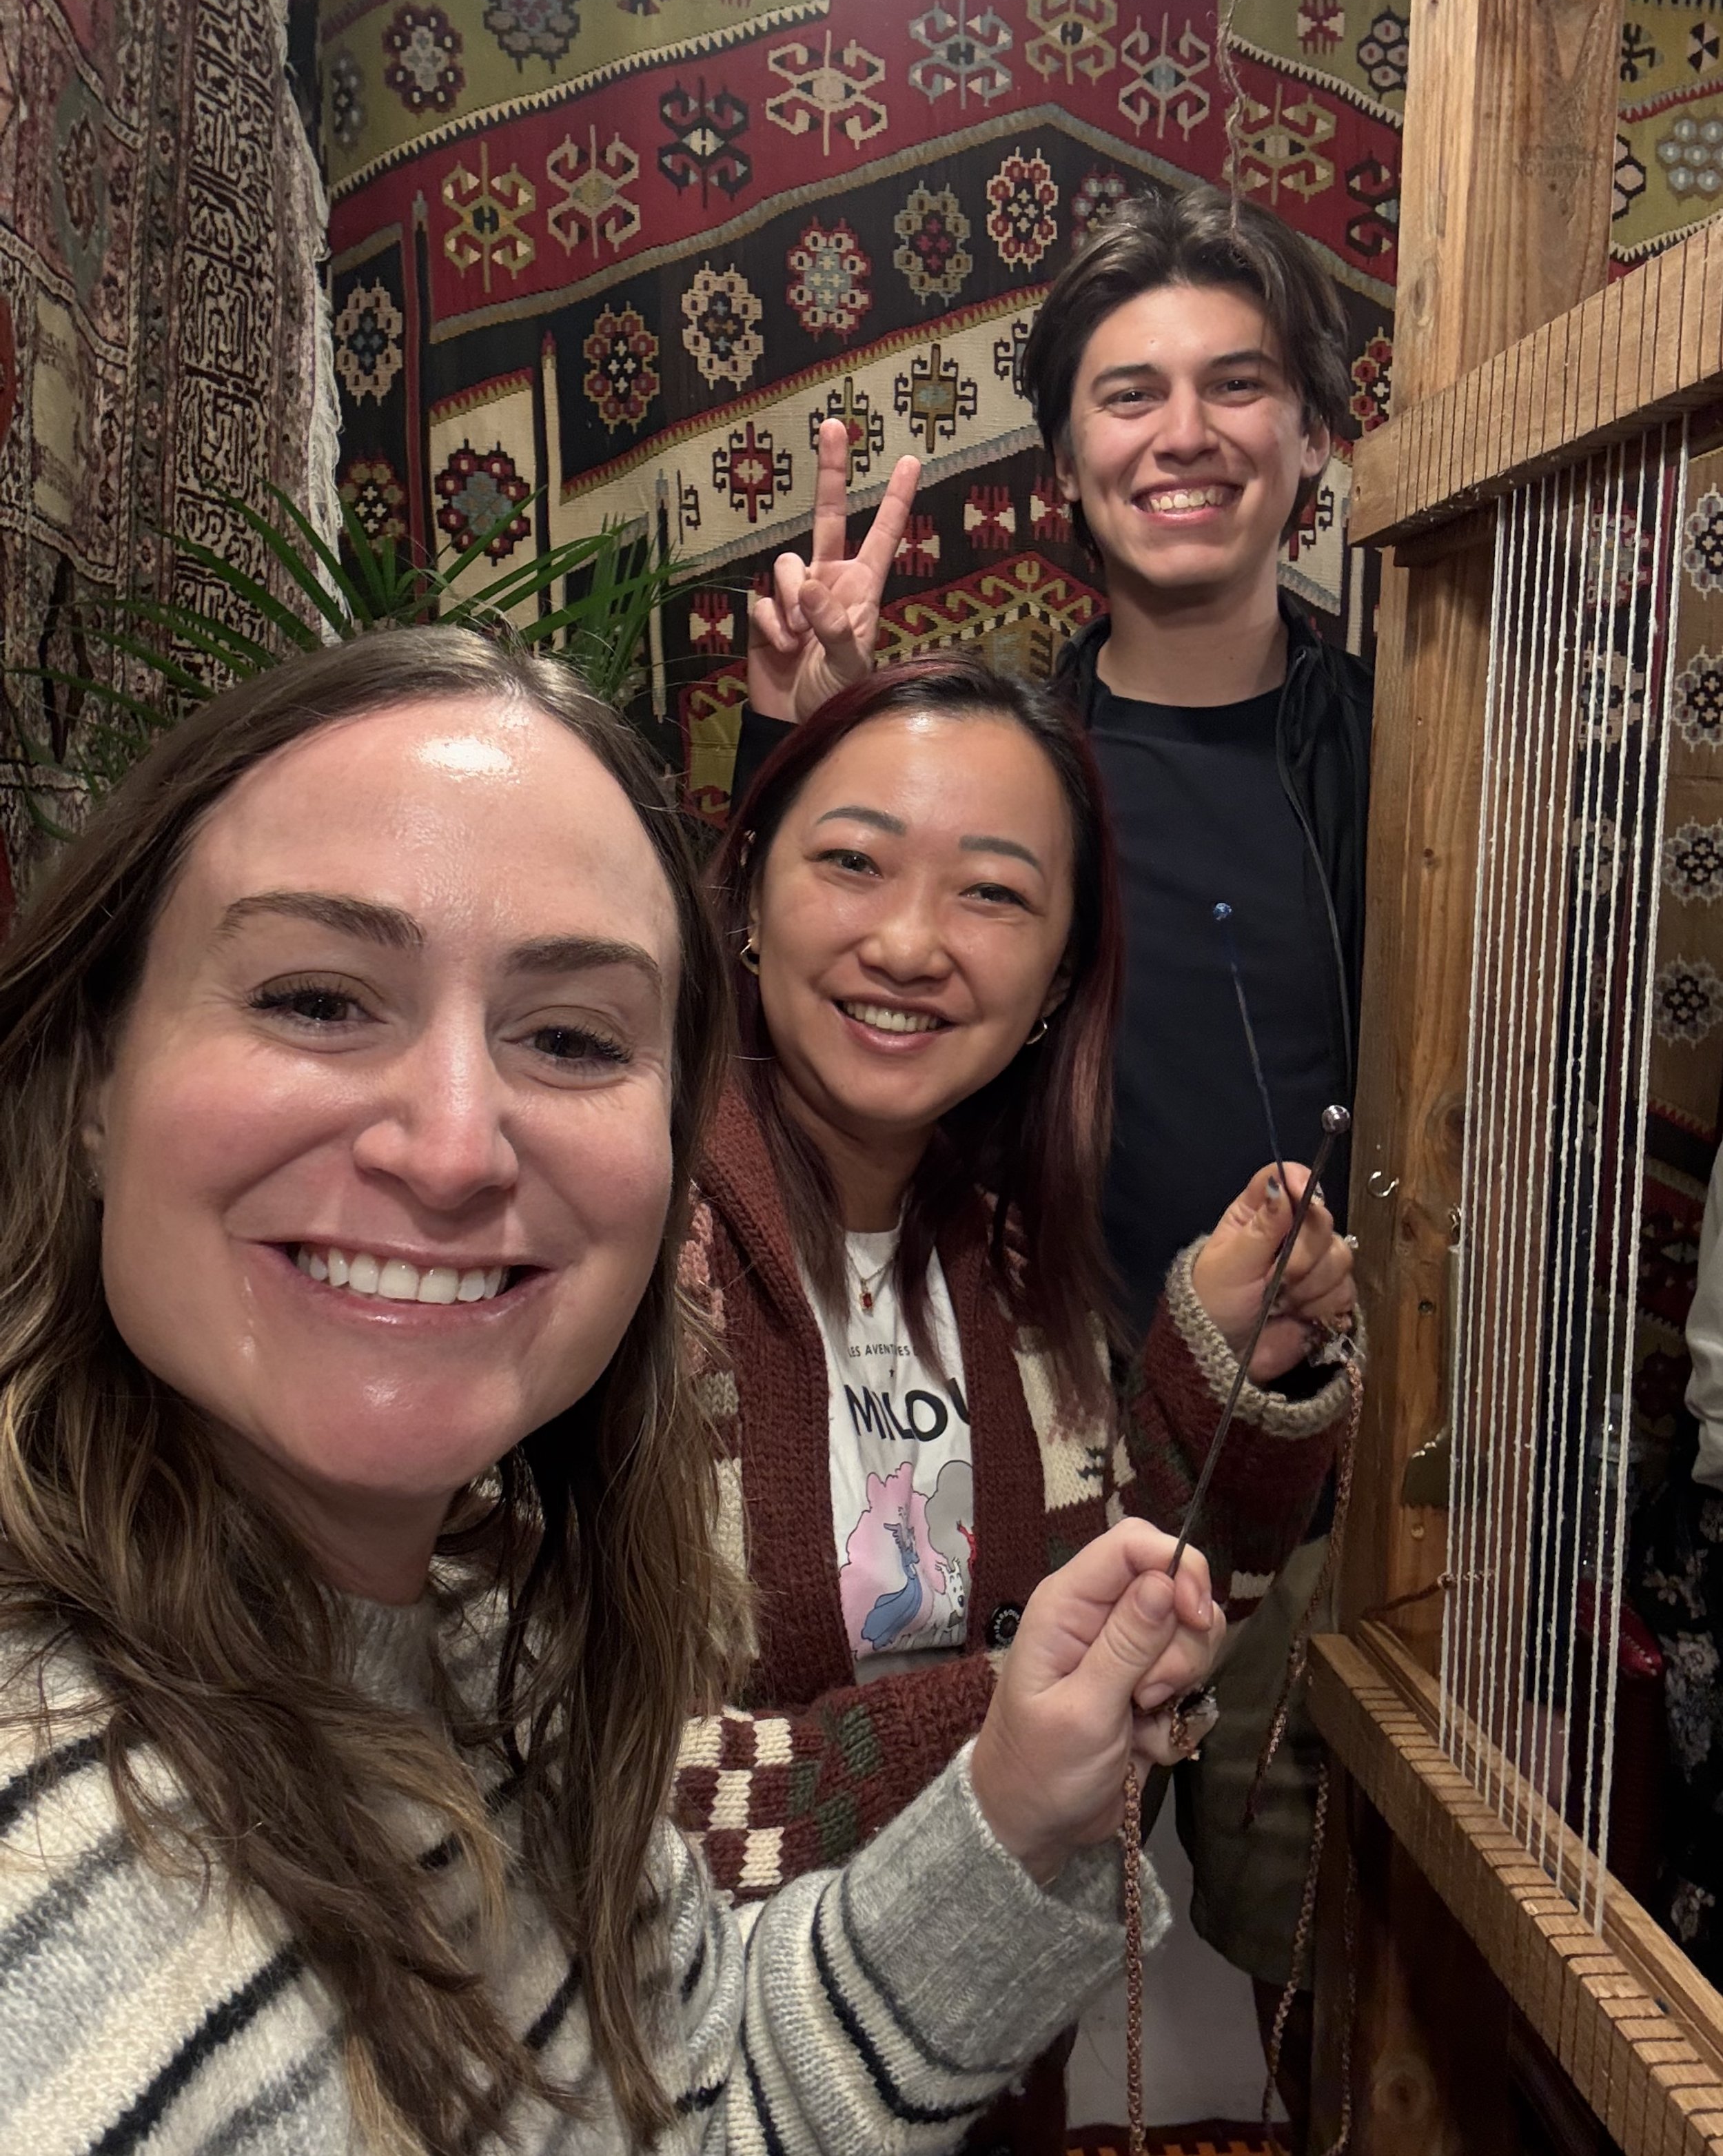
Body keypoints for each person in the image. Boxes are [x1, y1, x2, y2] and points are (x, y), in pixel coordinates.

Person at [0, 628, 1227, 2153]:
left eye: (569, 1035)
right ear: (88, 1075)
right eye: (317, 998)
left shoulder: (476, 1645)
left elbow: (692, 2067)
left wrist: (1033, 1779)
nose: (452, 1147)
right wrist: (982, 1732)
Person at [737, 184, 1372, 2144]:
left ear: (1316, 438)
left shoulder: (1432, 724)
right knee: (966, 1930)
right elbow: (822, 997)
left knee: (1318, 1947)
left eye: (1234, 383)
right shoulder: (1018, 771)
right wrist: (807, 746)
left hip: (1352, 1465)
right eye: (1126, 394)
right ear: (1067, 463)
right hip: (1030, 1443)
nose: (1181, 430)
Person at [673, 656, 1360, 2151]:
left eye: (992, 893)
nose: (910, 941)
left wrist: (1226, 1367)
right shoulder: (612, 1250)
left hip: (981, 2087)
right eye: (851, 862)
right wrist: (1002, 1743)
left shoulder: (1002, 1253)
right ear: (742, 896)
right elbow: (574, 1789)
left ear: (1058, 980)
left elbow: (1147, 1617)